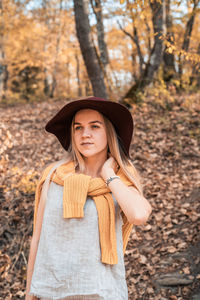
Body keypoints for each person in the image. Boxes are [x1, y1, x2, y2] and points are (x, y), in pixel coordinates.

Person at [26, 96, 152, 300]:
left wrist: (108, 174)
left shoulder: (119, 182)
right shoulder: (53, 176)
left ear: (108, 132)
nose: (85, 134)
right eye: (78, 127)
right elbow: (38, 239)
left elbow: (138, 215)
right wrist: (29, 294)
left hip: (101, 293)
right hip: (51, 292)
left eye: (94, 126)